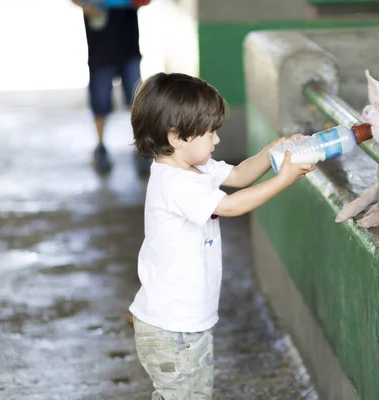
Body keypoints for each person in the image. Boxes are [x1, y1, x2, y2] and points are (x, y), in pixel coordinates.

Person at [128, 72, 315, 398]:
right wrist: (284, 180)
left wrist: (273, 153)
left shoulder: (196, 168)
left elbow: (241, 176)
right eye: (209, 133)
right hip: (173, 328)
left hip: (186, 322)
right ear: (177, 138)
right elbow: (231, 206)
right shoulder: (175, 183)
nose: (216, 140)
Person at [71, 0, 151, 175]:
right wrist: (89, 8)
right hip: (100, 47)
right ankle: (100, 147)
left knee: (136, 98)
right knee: (100, 100)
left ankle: (141, 147)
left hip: (128, 41)